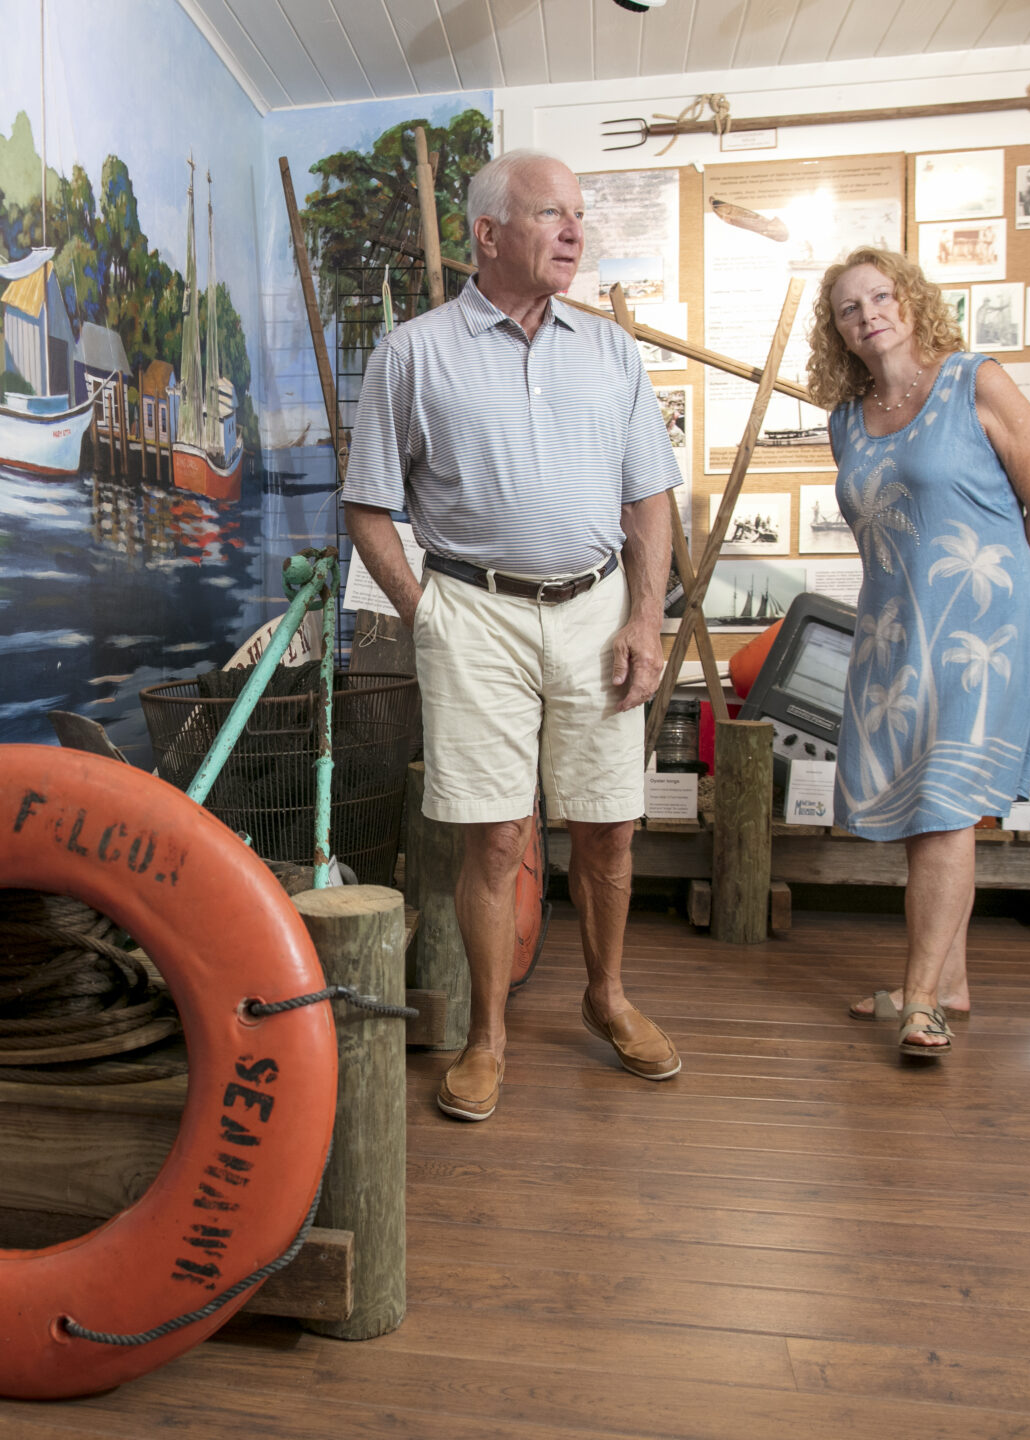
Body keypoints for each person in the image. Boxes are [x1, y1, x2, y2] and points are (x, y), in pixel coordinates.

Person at [344, 149, 682, 1123]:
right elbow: (369, 507)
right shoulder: (412, 354)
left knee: (610, 824)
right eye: (550, 214)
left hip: (597, 607)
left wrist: (645, 618)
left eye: (578, 215)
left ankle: (607, 995)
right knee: (496, 834)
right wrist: (428, 615)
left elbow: (650, 499)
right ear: (488, 235)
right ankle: (486, 1037)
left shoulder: (613, 351)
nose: (575, 231)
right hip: (473, 610)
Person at [810, 249, 1030, 1056]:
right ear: (839, 331)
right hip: (894, 627)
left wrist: (1008, 597)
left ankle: (920, 1000)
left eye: (881, 296)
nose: (869, 315)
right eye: (850, 308)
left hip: (982, 627)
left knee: (947, 803)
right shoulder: (844, 422)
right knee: (923, 803)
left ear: (911, 302)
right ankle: (948, 980)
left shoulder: (974, 381)